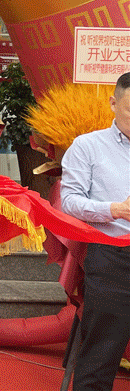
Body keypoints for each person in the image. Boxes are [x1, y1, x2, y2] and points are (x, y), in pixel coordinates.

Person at [59, 70, 130, 391]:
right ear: (113, 103)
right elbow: (70, 201)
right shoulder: (88, 146)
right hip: (113, 254)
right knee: (103, 350)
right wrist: (115, 209)